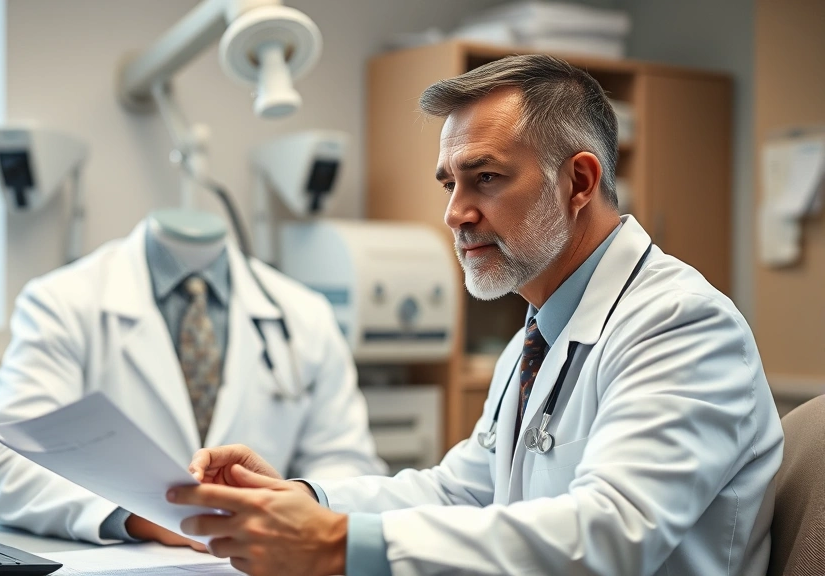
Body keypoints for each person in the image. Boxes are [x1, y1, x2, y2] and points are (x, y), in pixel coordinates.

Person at [169, 54, 785, 576]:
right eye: (449, 185)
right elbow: (460, 491)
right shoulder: (534, 340)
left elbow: (613, 533)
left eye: (485, 178)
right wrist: (303, 499)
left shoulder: (681, 325)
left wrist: (337, 545)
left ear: (578, 181)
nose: (455, 213)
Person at [0, 214, 385, 547]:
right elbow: (6, 463)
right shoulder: (62, 301)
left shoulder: (304, 314)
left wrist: (280, 509)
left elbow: (348, 465)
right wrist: (147, 518)